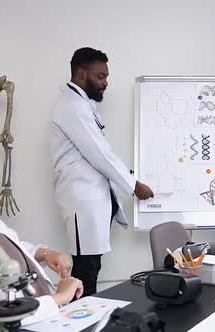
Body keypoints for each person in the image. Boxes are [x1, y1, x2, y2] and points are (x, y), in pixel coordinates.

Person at [50, 47, 154, 296]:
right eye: (100, 76)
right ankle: (81, 322)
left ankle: (84, 319)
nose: (105, 83)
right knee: (85, 272)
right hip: (81, 201)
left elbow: (100, 151)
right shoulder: (72, 106)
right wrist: (134, 185)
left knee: (90, 269)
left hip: (91, 199)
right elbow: (100, 153)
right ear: (80, 73)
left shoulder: (82, 105)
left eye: (106, 76)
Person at [0, 160, 83, 326]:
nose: (1, 197)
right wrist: (58, 298)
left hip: (52, 316)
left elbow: (15, 248)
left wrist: (46, 254)